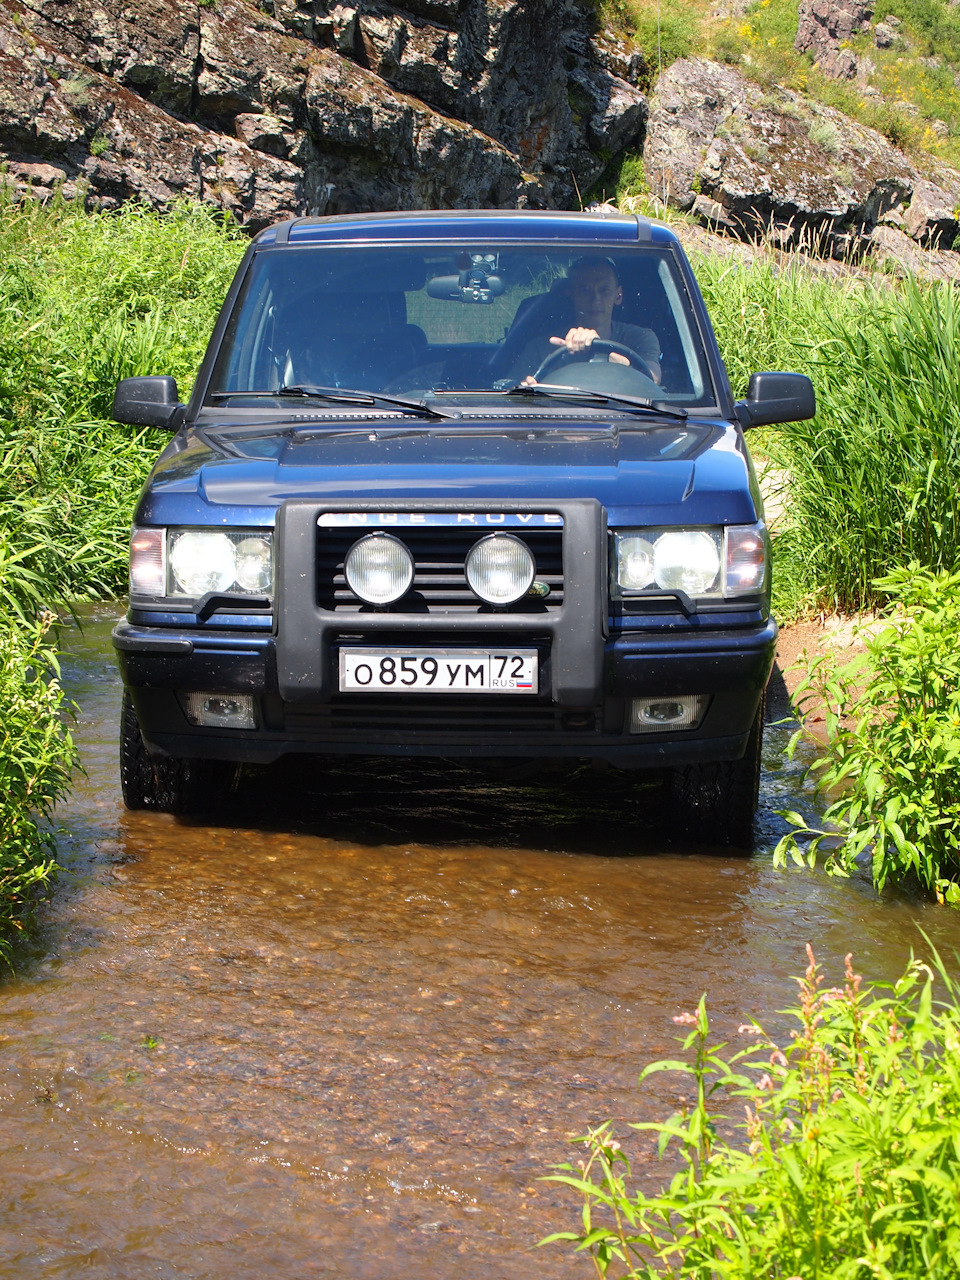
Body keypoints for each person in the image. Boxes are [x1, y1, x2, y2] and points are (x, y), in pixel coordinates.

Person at [515, 257, 661, 385]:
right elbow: (513, 393)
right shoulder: (541, 348)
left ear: (618, 295)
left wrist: (602, 352)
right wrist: (528, 390)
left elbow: (652, 380)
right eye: (585, 290)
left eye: (604, 290)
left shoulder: (640, 338)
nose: (596, 300)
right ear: (570, 294)